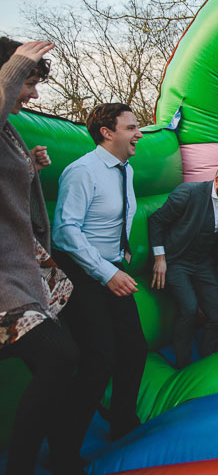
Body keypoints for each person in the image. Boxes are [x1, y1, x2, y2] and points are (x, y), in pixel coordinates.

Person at [0, 38, 83, 475]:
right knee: (60, 358)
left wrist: (28, 166)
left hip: (25, 272)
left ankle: (65, 457)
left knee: (60, 366)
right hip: (5, 286)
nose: (32, 95)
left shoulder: (9, 130)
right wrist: (15, 67)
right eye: (28, 83)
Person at [52, 103, 148, 448]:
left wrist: (120, 252)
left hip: (110, 266)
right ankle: (64, 449)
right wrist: (106, 272)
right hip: (82, 273)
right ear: (107, 133)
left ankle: (123, 423)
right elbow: (65, 231)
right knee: (99, 358)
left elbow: (112, 217)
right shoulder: (83, 171)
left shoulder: (127, 169)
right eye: (131, 128)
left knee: (135, 349)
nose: (139, 133)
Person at [148, 164, 218, 369]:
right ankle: (183, 365)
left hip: (203, 263)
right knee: (189, 308)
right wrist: (160, 258)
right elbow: (156, 221)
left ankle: (209, 362)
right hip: (176, 260)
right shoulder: (189, 193)